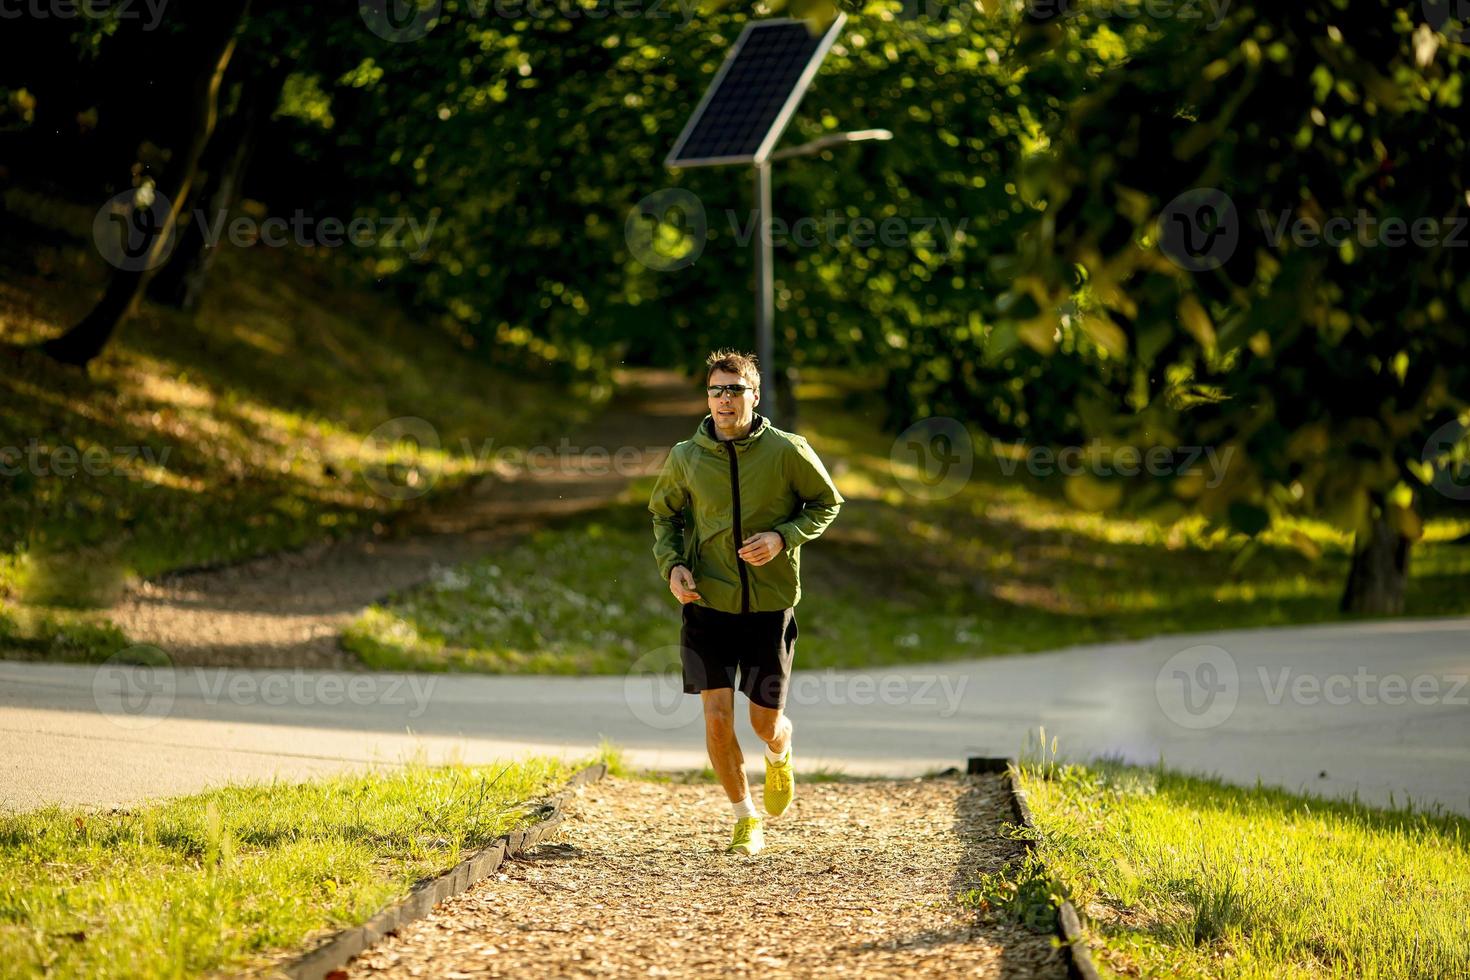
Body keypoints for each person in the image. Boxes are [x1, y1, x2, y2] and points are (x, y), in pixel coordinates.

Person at [648, 349, 844, 856]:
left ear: (755, 395)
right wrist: (673, 567)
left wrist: (783, 537)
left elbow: (826, 503)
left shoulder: (786, 450)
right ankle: (744, 817)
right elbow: (663, 517)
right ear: (707, 397)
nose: (725, 399)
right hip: (706, 603)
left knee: (763, 723)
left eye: (735, 389)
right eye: (716, 390)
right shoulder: (686, 457)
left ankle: (781, 751)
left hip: (768, 605)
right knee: (716, 717)